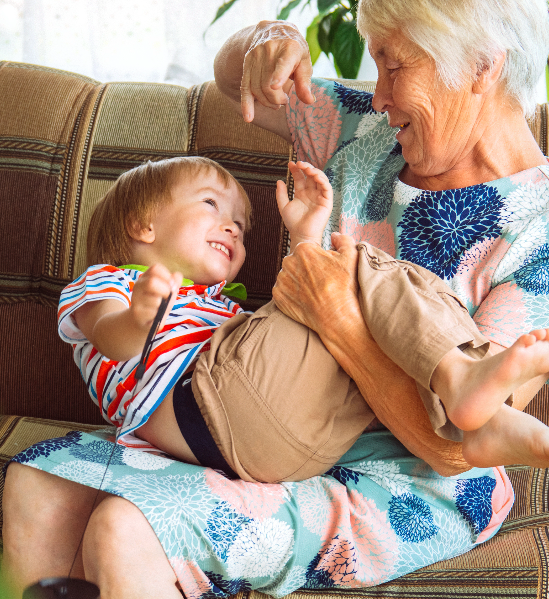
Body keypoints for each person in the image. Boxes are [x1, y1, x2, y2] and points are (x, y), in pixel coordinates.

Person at [2, 0, 549, 599]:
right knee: (40, 488)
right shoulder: (362, 135)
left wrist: (339, 323)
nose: (376, 96)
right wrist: (268, 38)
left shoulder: (537, 230)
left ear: (483, 65)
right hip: (261, 418)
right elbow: (236, 78)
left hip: (408, 477)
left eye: (393, 64)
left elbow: (460, 445)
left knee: (125, 527)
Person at [61, 154, 549, 484]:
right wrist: (141, 316)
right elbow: (110, 337)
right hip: (204, 410)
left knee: (365, 322)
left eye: (242, 224)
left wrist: (305, 235)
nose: (232, 225)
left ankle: (475, 419)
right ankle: (464, 383)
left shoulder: (222, 309)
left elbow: (301, 344)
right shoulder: (110, 281)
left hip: (288, 451)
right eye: (211, 204)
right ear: (141, 225)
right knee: (357, 264)